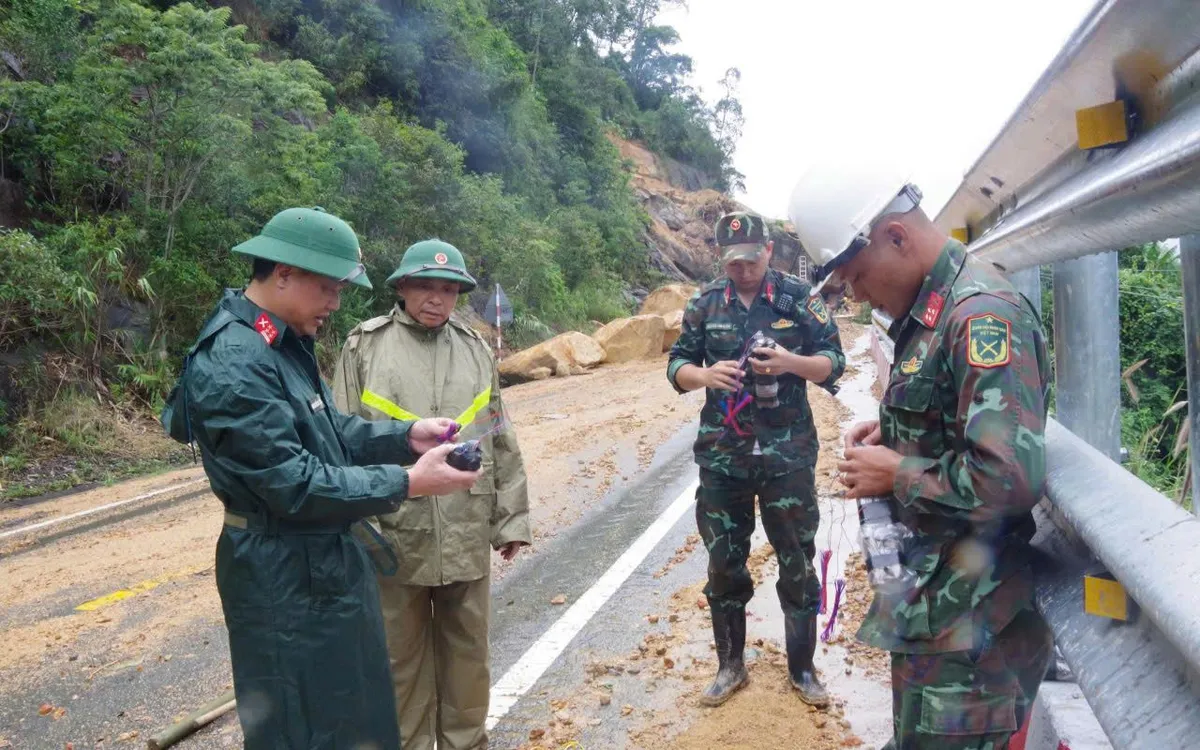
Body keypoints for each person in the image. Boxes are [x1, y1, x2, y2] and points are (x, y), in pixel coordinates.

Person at [160, 207, 482, 749]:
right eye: (328, 288)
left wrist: (407, 437)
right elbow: (293, 483)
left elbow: (328, 429)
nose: (335, 303)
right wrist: (406, 482)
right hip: (281, 575)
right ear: (283, 273)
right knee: (301, 725)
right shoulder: (237, 361)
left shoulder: (280, 343)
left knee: (351, 716)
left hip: (321, 565)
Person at [788, 162, 1054, 749]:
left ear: (896, 237)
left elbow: (1010, 477)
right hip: (937, 611)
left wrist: (896, 472)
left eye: (855, 275)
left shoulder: (981, 316)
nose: (854, 292)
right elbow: (955, 426)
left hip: (972, 636)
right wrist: (893, 436)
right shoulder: (931, 311)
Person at [332, 239, 531, 750]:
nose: (437, 299)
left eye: (449, 289)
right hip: (392, 529)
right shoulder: (364, 347)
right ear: (401, 287)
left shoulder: (474, 348)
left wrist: (510, 518)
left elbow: (498, 435)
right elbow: (340, 439)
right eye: (425, 285)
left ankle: (467, 742)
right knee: (398, 657)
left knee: (468, 652)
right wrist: (350, 522)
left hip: (466, 523)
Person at [666, 212, 846, 708]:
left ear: (768, 251)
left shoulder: (798, 299)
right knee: (724, 562)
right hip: (724, 459)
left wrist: (790, 362)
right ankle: (730, 666)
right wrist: (704, 376)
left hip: (787, 456)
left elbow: (836, 360)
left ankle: (802, 670)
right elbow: (676, 364)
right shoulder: (704, 304)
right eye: (732, 262)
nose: (742, 270)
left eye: (750, 259)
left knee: (797, 560)